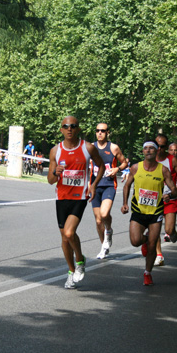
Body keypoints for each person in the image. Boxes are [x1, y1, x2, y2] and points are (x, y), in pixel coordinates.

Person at [48, 116, 105, 289]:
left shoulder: (87, 148)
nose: (69, 129)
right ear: (61, 130)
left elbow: (101, 166)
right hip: (61, 198)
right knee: (65, 239)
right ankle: (72, 272)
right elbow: (50, 180)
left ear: (78, 129)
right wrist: (56, 172)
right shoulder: (55, 151)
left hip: (79, 197)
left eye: (73, 126)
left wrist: (94, 185)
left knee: (69, 232)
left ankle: (80, 260)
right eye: (66, 126)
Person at [121, 140, 177, 285]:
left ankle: (147, 273)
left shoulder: (163, 170)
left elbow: (174, 190)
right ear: (142, 152)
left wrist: (169, 196)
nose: (148, 151)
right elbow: (127, 186)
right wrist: (125, 203)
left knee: (153, 246)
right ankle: (145, 241)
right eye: (145, 148)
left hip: (156, 212)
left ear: (156, 151)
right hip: (139, 211)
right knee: (135, 241)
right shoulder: (135, 168)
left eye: (151, 148)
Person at [90, 123, 128, 259]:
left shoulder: (113, 148)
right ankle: (104, 246)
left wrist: (117, 169)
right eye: (97, 130)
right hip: (94, 186)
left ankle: (109, 230)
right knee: (98, 220)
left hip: (108, 185)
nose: (100, 133)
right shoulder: (90, 147)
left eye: (103, 131)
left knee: (104, 214)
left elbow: (124, 162)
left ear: (107, 133)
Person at [150, 135, 177, 266]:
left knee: (169, 230)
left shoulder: (172, 160)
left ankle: (173, 233)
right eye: (157, 146)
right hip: (154, 200)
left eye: (162, 146)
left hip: (170, 198)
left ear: (166, 147)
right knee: (154, 230)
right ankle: (159, 255)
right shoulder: (150, 158)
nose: (159, 149)